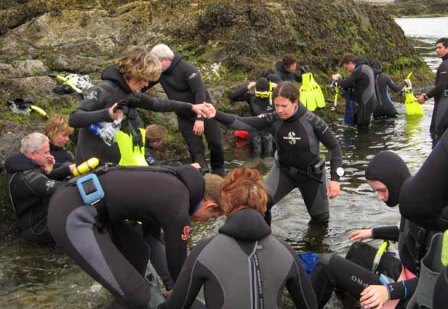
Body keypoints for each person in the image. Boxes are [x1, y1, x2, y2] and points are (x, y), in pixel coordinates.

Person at [47, 164, 223, 308]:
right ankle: (128, 296)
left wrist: (171, 286)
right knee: (138, 298)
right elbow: (178, 262)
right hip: (72, 216)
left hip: (89, 205)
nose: (205, 221)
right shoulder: (178, 204)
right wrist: (178, 292)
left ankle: (124, 293)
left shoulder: (174, 186)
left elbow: (152, 239)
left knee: (139, 252)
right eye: (213, 217)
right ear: (210, 205)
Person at [159, 167, 318, 309]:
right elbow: (310, 305)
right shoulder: (287, 253)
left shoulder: (203, 252)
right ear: (263, 204)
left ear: (226, 204)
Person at [311, 151, 436, 309]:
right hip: (406, 274)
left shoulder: (429, 216)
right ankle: (350, 303)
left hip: (414, 297)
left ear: (394, 182)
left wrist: (388, 292)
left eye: (382, 190)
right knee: (356, 250)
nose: (379, 197)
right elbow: (406, 232)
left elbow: (433, 281)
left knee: (326, 264)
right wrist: (372, 232)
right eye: (376, 191)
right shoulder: (412, 203)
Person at [205, 81, 343, 224]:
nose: (280, 110)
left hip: (311, 175)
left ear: (295, 102)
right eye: (277, 105)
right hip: (283, 172)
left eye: (284, 106)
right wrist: (216, 114)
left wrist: (335, 179)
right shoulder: (274, 118)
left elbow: (334, 147)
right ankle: (264, 239)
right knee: (260, 205)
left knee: (320, 219)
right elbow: (241, 122)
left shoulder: (313, 121)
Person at [69, 47, 207, 166]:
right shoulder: (105, 89)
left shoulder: (131, 93)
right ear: (133, 73)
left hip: (116, 164)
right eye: (144, 79)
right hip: (91, 163)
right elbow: (74, 118)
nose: (146, 84)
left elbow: (157, 104)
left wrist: (192, 107)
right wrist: (107, 114)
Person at [148, 44, 225, 175]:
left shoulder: (187, 69)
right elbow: (143, 85)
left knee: (216, 144)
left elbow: (199, 92)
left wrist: (199, 119)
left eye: (157, 63)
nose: (155, 67)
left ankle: (219, 174)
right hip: (184, 116)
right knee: (196, 150)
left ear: (166, 60)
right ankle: (202, 176)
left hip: (205, 112)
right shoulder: (160, 72)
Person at [4, 132, 72, 245]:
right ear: (32, 154)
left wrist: (57, 170)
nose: (50, 155)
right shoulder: (28, 177)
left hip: (44, 218)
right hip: (38, 229)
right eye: (45, 152)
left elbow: (53, 171)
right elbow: (57, 188)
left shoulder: (24, 163)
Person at [228, 77, 277, 157]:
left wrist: (279, 87)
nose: (262, 97)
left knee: (268, 139)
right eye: (259, 94)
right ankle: (255, 164)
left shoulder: (275, 96)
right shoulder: (251, 96)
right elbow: (232, 97)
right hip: (254, 126)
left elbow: (291, 96)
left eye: (264, 94)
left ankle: (268, 166)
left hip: (269, 126)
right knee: (256, 142)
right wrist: (247, 87)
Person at [417, 37, 448, 147]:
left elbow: (441, 86)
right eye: (436, 48)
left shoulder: (445, 65)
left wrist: (425, 97)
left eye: (440, 47)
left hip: (443, 104)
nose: (437, 50)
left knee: (436, 133)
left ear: (447, 48)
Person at [332, 53, 378, 127]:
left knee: (362, 130)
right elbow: (351, 83)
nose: (348, 71)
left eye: (346, 68)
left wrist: (338, 78)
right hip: (369, 102)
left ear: (350, 63)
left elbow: (345, 84)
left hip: (365, 103)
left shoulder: (359, 70)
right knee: (362, 127)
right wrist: (342, 79)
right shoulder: (365, 67)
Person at [44, 114, 76, 179]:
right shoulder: (41, 152)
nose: (67, 139)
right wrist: (67, 169)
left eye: (68, 135)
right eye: (64, 135)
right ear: (52, 132)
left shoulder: (68, 154)